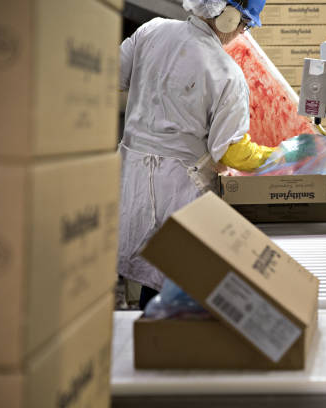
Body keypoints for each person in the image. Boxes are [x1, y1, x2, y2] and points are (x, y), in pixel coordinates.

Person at [118, 0, 272, 310]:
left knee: (143, 272)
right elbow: (230, 149)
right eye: (245, 25)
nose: (242, 32)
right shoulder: (225, 71)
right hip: (178, 190)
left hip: (129, 176)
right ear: (229, 17)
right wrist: (279, 157)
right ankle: (162, 340)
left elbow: (114, 76)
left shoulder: (152, 30)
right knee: (170, 279)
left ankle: (144, 332)